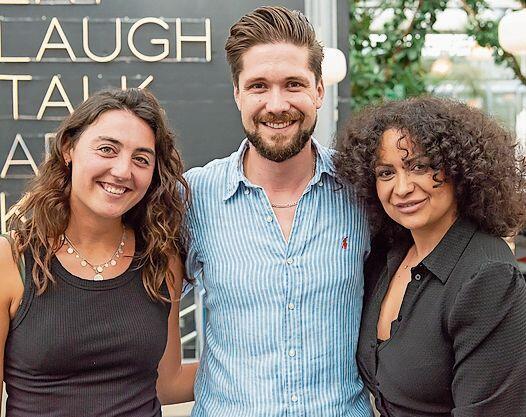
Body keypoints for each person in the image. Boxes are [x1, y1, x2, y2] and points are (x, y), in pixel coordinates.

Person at [184, 6, 372, 417]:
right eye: (258, 86)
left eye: (293, 84)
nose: (276, 103)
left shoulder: (364, 191)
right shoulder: (195, 196)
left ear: (319, 90)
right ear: (237, 93)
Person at [0, 88, 197, 416]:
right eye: (107, 149)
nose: (122, 171)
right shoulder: (12, 260)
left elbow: (168, 383)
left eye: (141, 159)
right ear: (69, 149)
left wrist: (265, 359)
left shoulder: (161, 260)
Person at [335, 96, 526, 416]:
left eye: (419, 166)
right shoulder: (389, 254)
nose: (402, 187)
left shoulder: (489, 278)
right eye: (386, 172)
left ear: (459, 169)